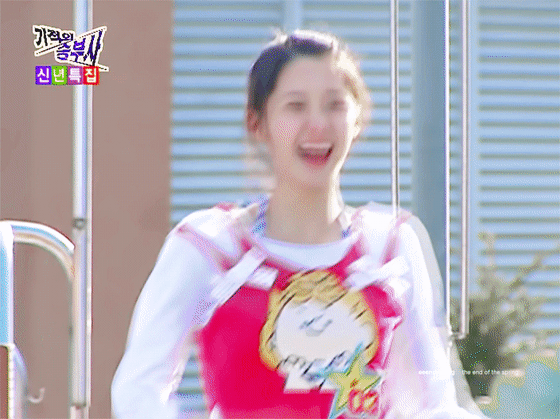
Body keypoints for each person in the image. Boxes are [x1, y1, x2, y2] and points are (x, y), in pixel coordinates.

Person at [112, 30, 484, 419]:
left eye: (334, 105)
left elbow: (435, 403)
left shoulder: (390, 246)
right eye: (296, 106)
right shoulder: (210, 247)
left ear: (357, 120)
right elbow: (138, 389)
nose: (317, 125)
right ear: (257, 123)